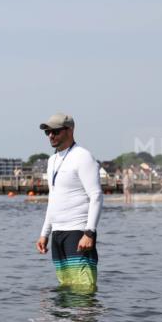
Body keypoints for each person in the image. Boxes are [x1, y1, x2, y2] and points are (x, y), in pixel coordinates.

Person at [35, 114, 103, 292]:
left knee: (83, 291)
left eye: (55, 131)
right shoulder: (52, 161)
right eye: (48, 132)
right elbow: (54, 198)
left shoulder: (83, 156)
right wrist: (45, 233)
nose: (51, 135)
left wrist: (89, 232)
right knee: (65, 290)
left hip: (78, 232)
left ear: (70, 130)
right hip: (58, 233)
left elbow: (96, 195)